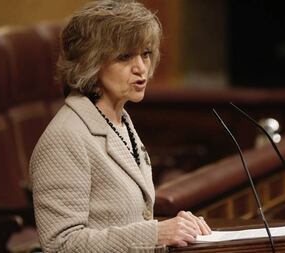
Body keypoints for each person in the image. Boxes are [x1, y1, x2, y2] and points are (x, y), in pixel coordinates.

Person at [29, 0, 211, 252]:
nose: (141, 69)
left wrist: (178, 229)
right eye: (124, 57)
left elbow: (128, 222)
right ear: (90, 62)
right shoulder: (65, 138)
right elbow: (62, 245)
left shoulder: (120, 119)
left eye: (145, 54)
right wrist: (156, 233)